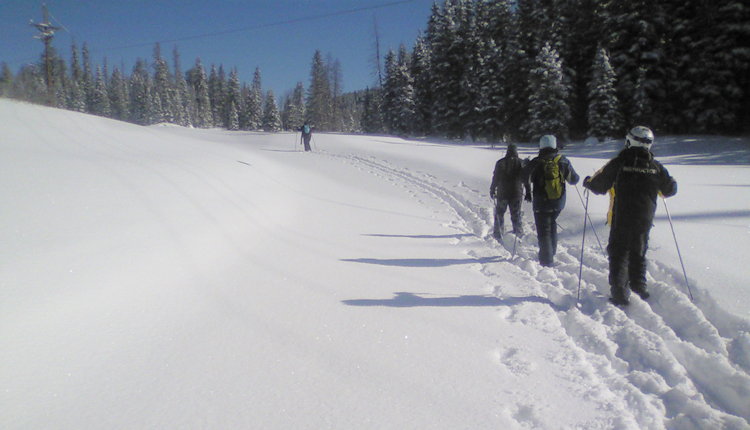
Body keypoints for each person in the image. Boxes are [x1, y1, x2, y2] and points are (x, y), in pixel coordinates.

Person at [583, 126, 677, 306]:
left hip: (622, 217)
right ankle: (639, 287)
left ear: (630, 141)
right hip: (645, 219)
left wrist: (588, 182)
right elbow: (670, 189)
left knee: (619, 253)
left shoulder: (619, 163)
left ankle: (619, 293)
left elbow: (599, 186)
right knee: (638, 251)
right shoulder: (655, 166)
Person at [521, 135, 579, 267]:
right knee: (552, 225)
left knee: (544, 231)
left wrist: (525, 166)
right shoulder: (563, 160)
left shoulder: (536, 162)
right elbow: (574, 179)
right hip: (559, 202)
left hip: (541, 202)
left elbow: (524, 178)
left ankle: (547, 261)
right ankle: (551, 253)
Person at [490, 143, 531, 239]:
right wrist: (528, 191)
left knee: (500, 214)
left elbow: (495, 178)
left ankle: (498, 234)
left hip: (502, 193)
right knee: (516, 214)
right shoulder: (521, 163)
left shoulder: (500, 162)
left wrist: (492, 189)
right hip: (516, 193)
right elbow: (526, 179)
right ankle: (518, 234)